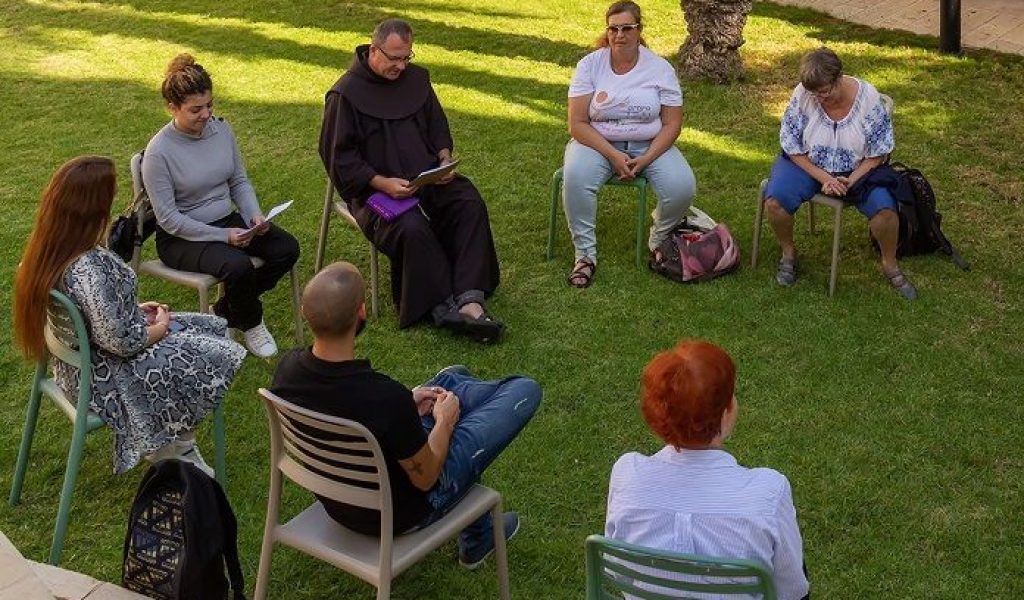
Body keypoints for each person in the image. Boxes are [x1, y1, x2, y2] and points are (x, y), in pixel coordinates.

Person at [271, 261, 541, 568]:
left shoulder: (287, 371)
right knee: (523, 389)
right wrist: (445, 422)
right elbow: (426, 478)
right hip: (402, 513)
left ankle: (479, 534)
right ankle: (478, 537)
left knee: (451, 379)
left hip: (339, 503)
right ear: (361, 313)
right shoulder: (382, 398)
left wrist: (408, 402)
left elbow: (365, 409)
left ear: (307, 315)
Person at [13, 156, 246, 476]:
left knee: (205, 325)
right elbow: (123, 342)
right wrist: (160, 328)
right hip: (101, 378)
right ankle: (174, 446)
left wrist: (130, 309)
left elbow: (88, 314)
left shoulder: (47, 249)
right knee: (208, 349)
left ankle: (172, 440)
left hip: (74, 365)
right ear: (93, 208)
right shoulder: (88, 266)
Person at [318, 19, 504, 343]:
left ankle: (471, 297)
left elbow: (437, 126)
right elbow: (340, 158)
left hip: (427, 178)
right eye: (394, 59)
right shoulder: (345, 94)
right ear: (374, 50)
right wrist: (382, 182)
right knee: (411, 228)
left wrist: (444, 161)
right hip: (375, 192)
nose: (401, 66)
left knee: (468, 202)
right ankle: (441, 307)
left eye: (407, 57)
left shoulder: (417, 80)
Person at [605, 340, 810, 600]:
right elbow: (792, 590)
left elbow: (619, 572)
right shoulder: (768, 493)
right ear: (726, 413)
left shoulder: (627, 476)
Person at [142, 53, 301, 357]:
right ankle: (251, 321)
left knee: (286, 248)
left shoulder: (222, 130)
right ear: (172, 108)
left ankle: (225, 311)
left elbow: (238, 181)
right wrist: (223, 236)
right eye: (195, 109)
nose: (206, 115)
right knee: (238, 266)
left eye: (210, 105)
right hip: (181, 237)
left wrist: (253, 215)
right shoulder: (158, 153)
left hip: (226, 221)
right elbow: (169, 219)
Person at [561, 1, 697, 288]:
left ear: (639, 30)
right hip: (597, 143)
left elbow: (672, 124)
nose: (619, 35)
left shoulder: (660, 68)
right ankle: (585, 255)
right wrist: (612, 155)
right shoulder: (589, 65)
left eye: (626, 28)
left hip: (649, 143)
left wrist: (645, 159)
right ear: (607, 31)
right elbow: (577, 124)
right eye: (613, 28)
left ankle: (659, 238)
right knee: (576, 177)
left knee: (682, 186)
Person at [763, 46, 915, 299]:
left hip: (859, 169)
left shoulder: (867, 98)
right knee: (775, 201)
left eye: (825, 91)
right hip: (807, 164)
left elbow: (878, 153)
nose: (820, 98)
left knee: (885, 211)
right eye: (814, 93)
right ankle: (788, 253)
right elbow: (791, 145)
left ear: (839, 78)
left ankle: (890, 264)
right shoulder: (804, 95)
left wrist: (850, 180)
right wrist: (825, 178)